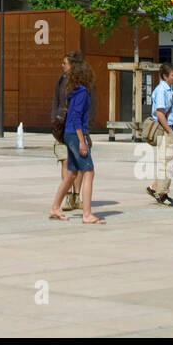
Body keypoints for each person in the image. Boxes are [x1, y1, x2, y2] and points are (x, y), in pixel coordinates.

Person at [49, 59, 103, 223]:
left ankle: (55, 208)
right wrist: (81, 141)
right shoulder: (81, 92)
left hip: (69, 133)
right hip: (74, 134)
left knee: (72, 173)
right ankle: (87, 214)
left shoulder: (75, 90)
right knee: (89, 172)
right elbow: (75, 118)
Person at [52, 52, 89, 212]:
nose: (62, 66)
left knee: (79, 166)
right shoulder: (61, 81)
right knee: (66, 162)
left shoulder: (80, 85)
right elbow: (58, 104)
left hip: (75, 130)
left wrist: (84, 132)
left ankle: (76, 197)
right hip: (63, 129)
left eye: (65, 63)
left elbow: (84, 110)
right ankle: (67, 199)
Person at [146, 63, 173, 207]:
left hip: (172, 129)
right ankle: (161, 193)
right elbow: (160, 112)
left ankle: (155, 188)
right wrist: (169, 130)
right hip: (167, 130)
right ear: (165, 76)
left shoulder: (168, 89)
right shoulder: (161, 91)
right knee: (167, 163)